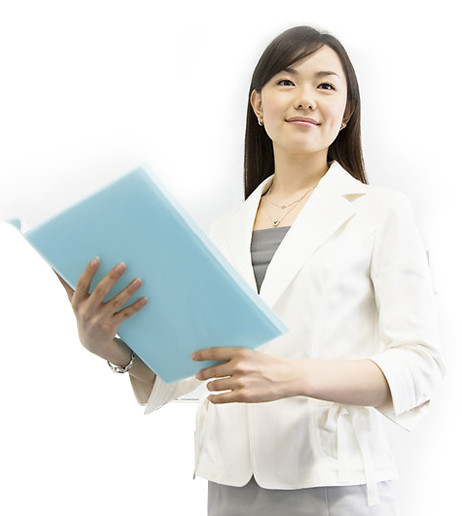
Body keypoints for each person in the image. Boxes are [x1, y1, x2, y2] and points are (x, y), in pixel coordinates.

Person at [55, 25, 445, 515]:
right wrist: (107, 346)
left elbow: (420, 366)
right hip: (231, 483)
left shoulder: (380, 212)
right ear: (258, 105)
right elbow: (193, 370)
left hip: (332, 482)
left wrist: (293, 376)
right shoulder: (223, 231)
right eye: (286, 81)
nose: (305, 98)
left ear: (346, 113)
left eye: (325, 85)